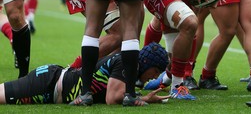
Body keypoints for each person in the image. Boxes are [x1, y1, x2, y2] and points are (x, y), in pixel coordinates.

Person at [0, 42, 170, 105]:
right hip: (49, 83)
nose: (155, 76)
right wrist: (145, 99)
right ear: (146, 62)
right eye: (155, 71)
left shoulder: (130, 63)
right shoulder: (128, 62)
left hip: (53, 81)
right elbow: (113, 98)